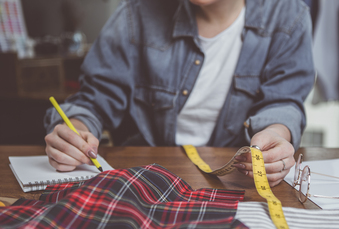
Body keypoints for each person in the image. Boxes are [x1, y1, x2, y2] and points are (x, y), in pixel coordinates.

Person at [44, 0, 315, 186]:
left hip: (236, 182)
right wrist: (74, 131)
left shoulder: (289, 17)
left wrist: (277, 137)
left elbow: (283, 101)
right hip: (142, 181)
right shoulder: (136, 13)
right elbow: (95, 98)